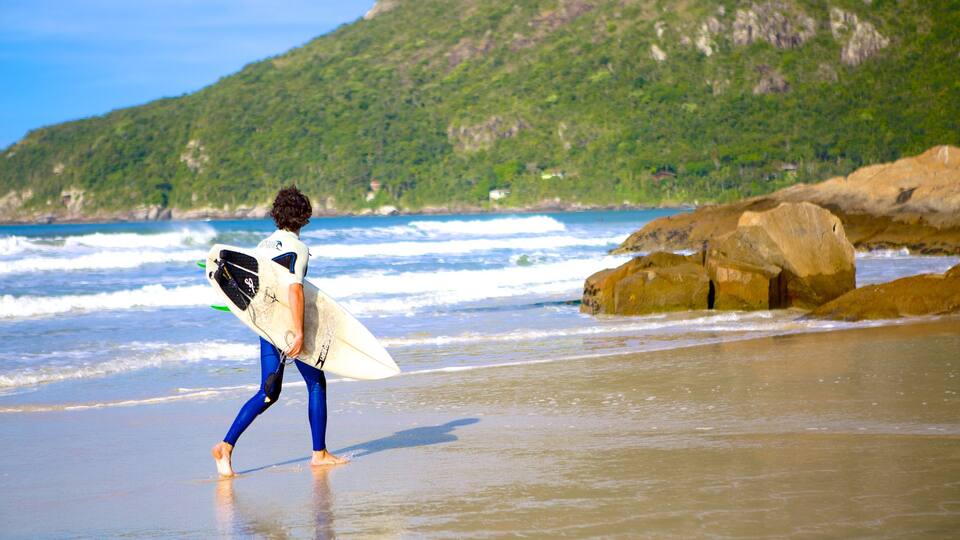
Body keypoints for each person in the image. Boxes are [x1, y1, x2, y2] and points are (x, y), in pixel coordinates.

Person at [212, 186, 348, 477]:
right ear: (304, 216)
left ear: (277, 214)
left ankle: (226, 445)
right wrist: (299, 332)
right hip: (287, 327)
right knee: (316, 384)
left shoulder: (263, 245)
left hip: (266, 325)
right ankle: (319, 453)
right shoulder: (297, 248)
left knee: (268, 392)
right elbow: (295, 291)